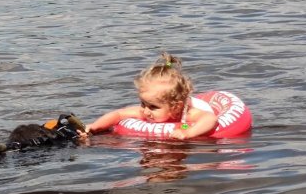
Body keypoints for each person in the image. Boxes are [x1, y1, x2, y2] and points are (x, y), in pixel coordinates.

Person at [83, 52, 218, 140]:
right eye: (143, 104)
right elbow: (118, 114)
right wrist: (95, 127)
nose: (145, 111)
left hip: (190, 122)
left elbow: (210, 118)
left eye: (153, 107)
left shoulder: (187, 114)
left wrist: (188, 133)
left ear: (176, 107)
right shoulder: (145, 111)